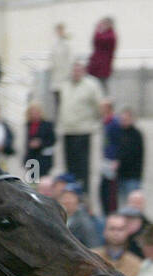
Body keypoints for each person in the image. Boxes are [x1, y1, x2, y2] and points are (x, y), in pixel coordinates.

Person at [57, 60, 105, 198]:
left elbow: (99, 106)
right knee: (69, 168)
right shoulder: (65, 85)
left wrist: (93, 122)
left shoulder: (91, 85)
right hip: (67, 131)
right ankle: (69, 195)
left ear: (84, 71)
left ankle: (83, 196)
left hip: (83, 131)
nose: (76, 73)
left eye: (79, 70)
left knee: (82, 169)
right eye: (74, 70)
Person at [92, 212, 141, 276]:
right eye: (112, 229)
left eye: (120, 229)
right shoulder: (92, 258)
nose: (116, 233)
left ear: (127, 232)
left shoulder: (136, 264)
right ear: (104, 231)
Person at [114, 107, 144, 205]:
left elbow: (131, 154)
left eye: (126, 119)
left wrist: (119, 162)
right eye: (122, 119)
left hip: (132, 176)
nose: (123, 121)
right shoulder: (119, 133)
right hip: (120, 176)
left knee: (133, 204)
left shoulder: (136, 135)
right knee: (121, 204)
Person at [22, 101, 56, 178]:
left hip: (43, 158)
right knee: (32, 181)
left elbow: (52, 140)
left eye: (36, 112)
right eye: (32, 112)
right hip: (31, 158)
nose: (34, 114)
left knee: (43, 181)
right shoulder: (28, 125)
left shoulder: (47, 125)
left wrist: (40, 143)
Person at [88, 17, 118, 94]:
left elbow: (98, 40)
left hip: (103, 68)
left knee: (102, 89)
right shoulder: (106, 34)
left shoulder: (110, 36)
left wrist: (97, 29)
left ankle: (105, 104)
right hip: (97, 66)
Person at [49, 23, 71, 121]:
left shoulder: (67, 44)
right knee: (57, 103)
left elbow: (70, 61)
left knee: (66, 103)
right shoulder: (55, 44)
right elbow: (52, 61)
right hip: (56, 79)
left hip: (65, 79)